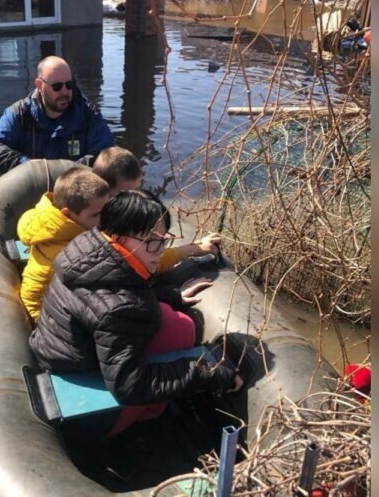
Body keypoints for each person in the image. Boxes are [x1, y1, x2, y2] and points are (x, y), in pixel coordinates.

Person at [29, 190, 243, 438]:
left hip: (60, 355)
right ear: (119, 237)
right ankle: (147, 417)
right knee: (180, 329)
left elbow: (114, 293)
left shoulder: (89, 246)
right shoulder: (120, 310)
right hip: (93, 417)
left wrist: (173, 296)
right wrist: (210, 371)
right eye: (152, 242)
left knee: (166, 316)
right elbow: (129, 386)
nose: (161, 250)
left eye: (162, 240)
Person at [92, 146, 224, 271]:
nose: (134, 199)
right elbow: (141, 261)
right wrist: (192, 250)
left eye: (136, 189)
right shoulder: (96, 227)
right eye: (125, 193)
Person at [0, 56, 114, 173]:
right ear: (40, 85)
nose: (64, 92)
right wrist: (31, 166)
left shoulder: (88, 114)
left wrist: (66, 173)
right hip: (34, 185)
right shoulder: (20, 113)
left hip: (74, 187)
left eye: (69, 85)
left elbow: (105, 150)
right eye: (57, 87)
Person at [18, 167, 110, 323]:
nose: (106, 218)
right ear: (67, 214)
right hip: (50, 318)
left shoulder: (68, 228)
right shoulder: (60, 255)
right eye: (96, 215)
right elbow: (33, 297)